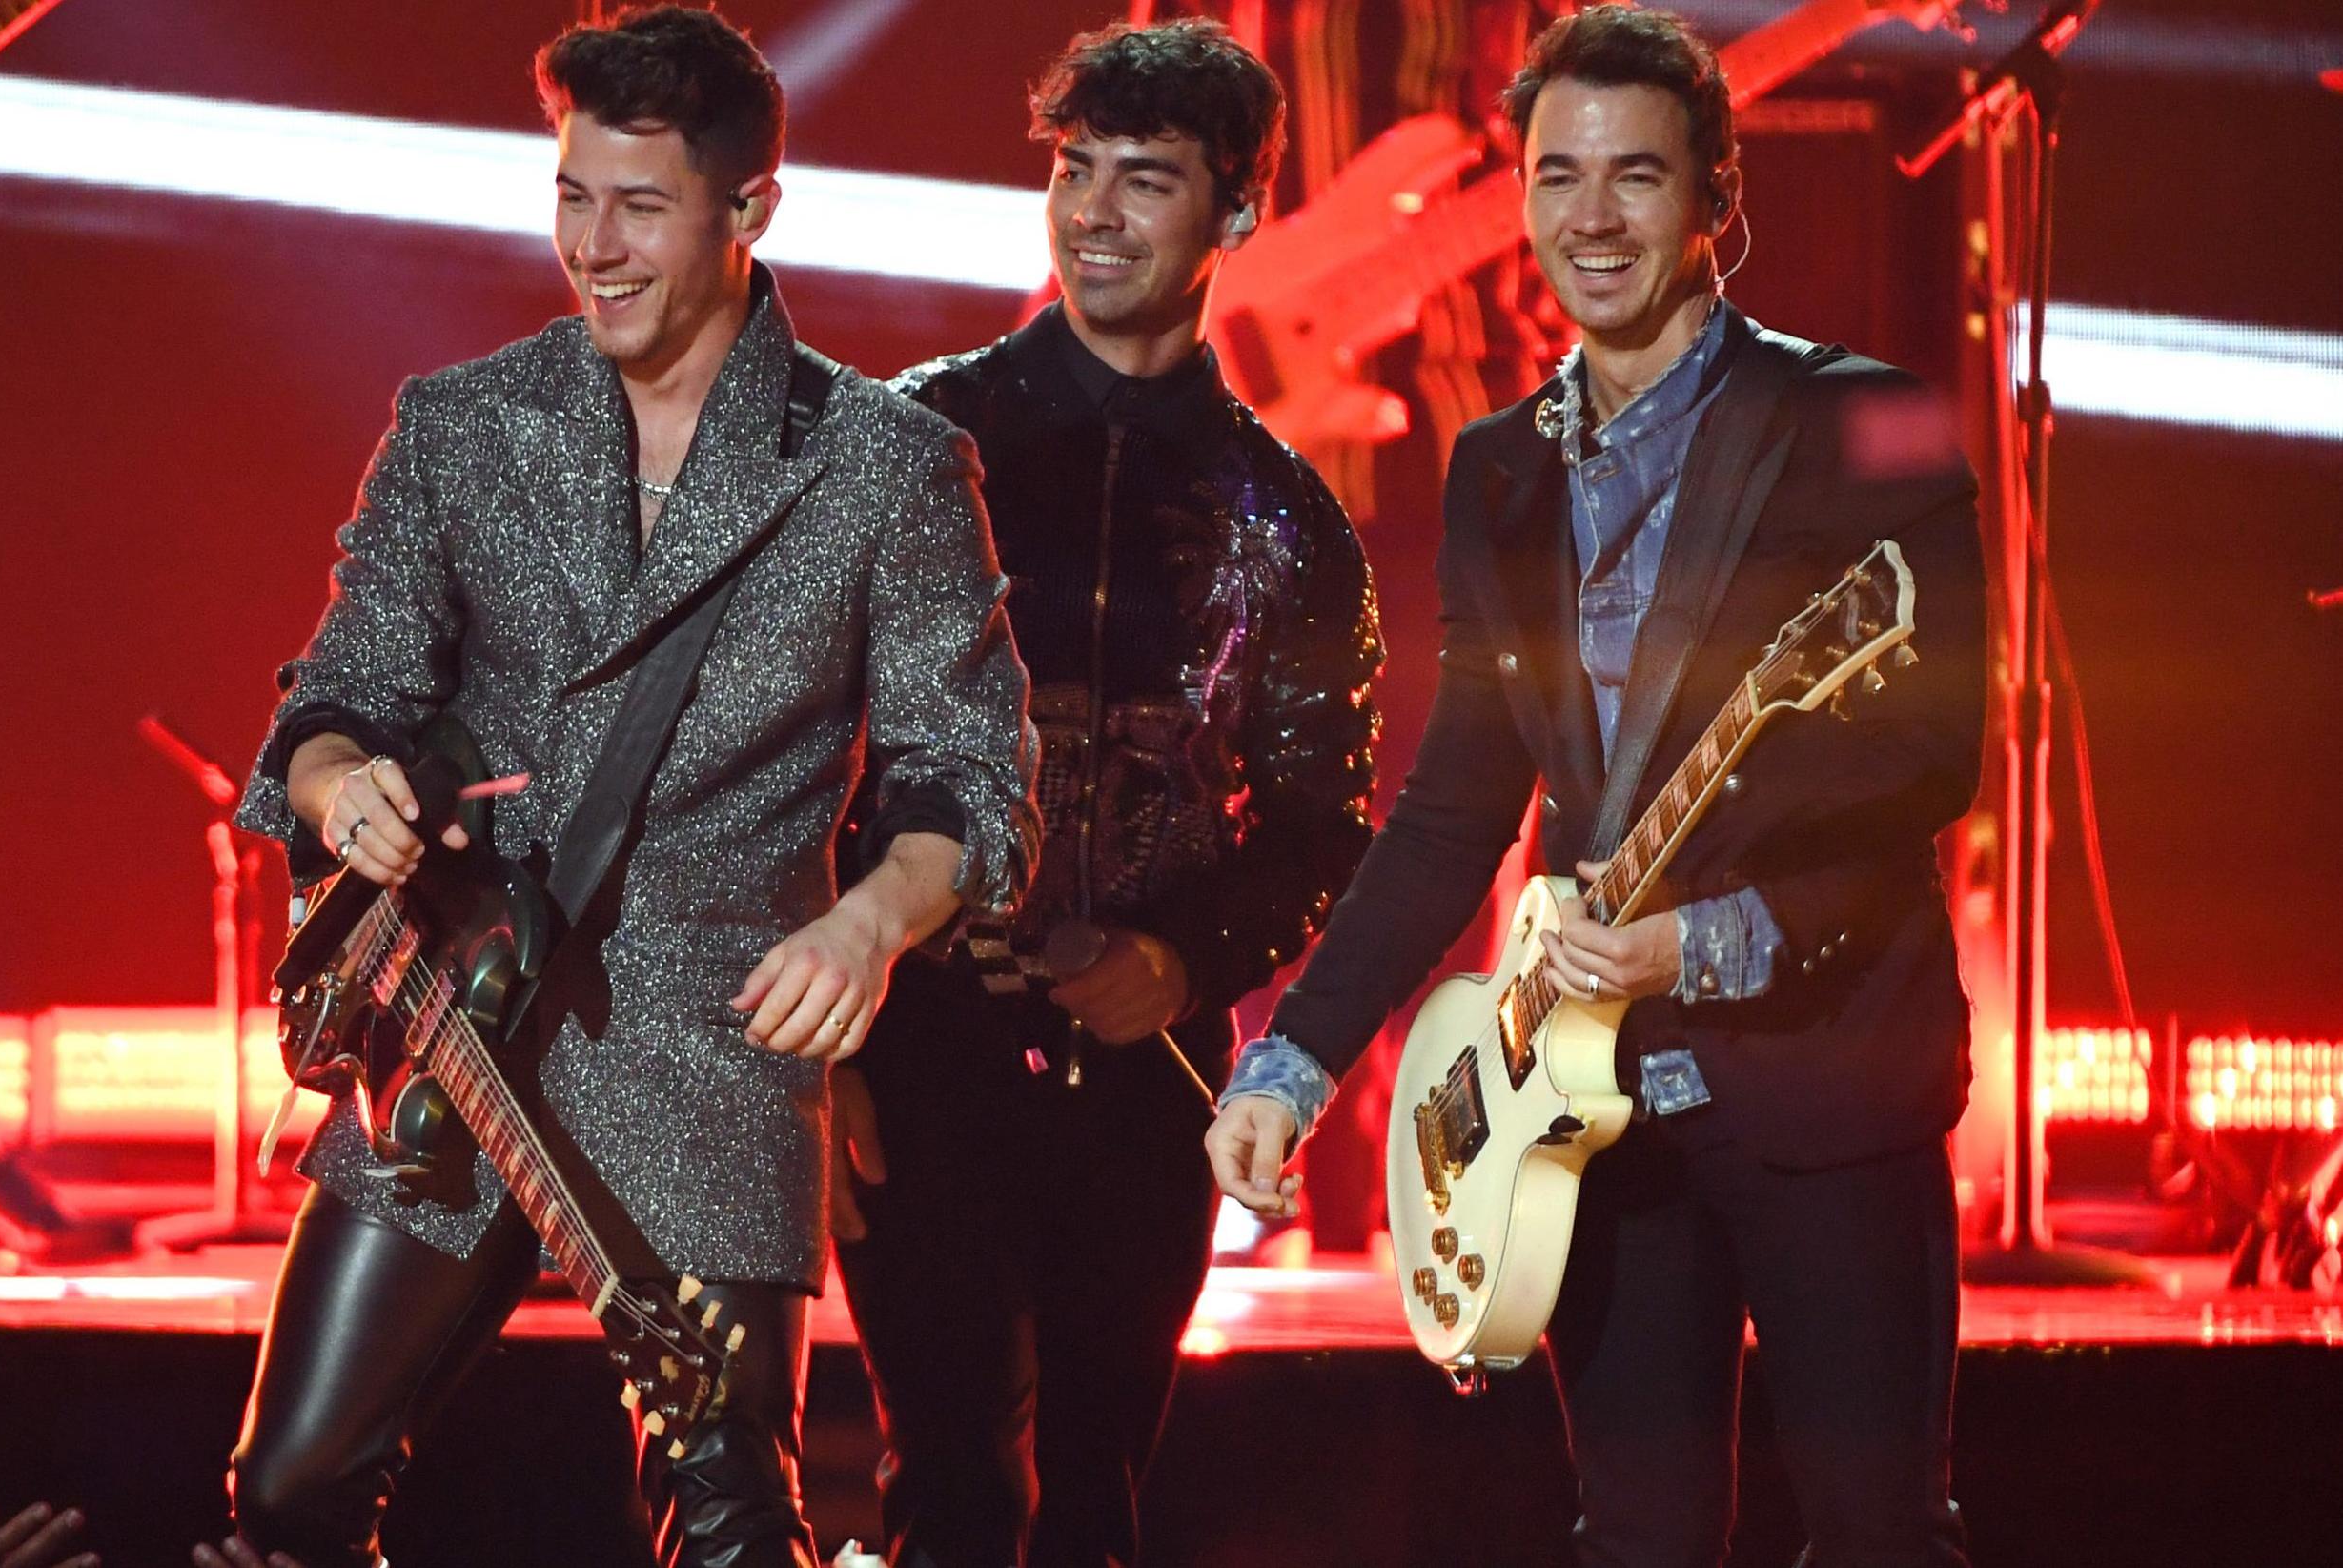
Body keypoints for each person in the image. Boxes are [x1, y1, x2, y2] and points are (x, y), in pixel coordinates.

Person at [224, 8, 1037, 1567]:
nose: (593, 248)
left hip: (708, 1051)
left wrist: (872, 922)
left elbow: (974, 777)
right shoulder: (460, 423)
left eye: (641, 207)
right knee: (287, 1494)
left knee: (732, 1533)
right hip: (451, 1029)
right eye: (572, 197)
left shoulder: (885, 465)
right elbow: (334, 696)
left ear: (750, 213)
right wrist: (341, 792)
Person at [1207, 8, 1984, 1566]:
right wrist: (1293, 1063)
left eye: (1637, 176)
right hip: (1584, 1120)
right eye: (1559, 176)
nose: (1593, 217)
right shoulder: (1497, 467)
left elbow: (1928, 761)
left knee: (1879, 1535)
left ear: (1716, 203)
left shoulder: (1865, 418)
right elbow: (1452, 806)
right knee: (1631, 1541)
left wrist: (1692, 947)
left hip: (1824, 1080)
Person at [828, 19, 1381, 1568]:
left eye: (1145, 181)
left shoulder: (1286, 519)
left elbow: (1328, 822)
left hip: (1146, 1095)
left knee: (1095, 1509)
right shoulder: (907, 447)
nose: (1093, 213)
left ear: (1240, 212)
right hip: (914, 1061)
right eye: (1074, 171)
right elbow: (777, 756)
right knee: (949, 1490)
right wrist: (816, 1055)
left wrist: (1189, 962)